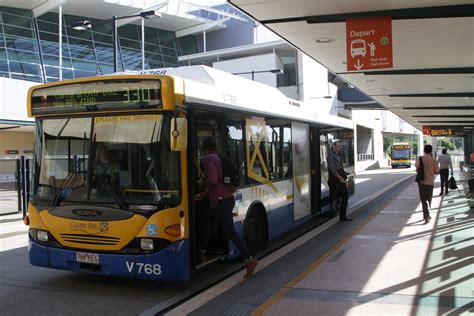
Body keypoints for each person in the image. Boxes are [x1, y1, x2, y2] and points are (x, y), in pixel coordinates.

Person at [195, 137, 258, 278]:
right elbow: (219, 183)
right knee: (207, 221)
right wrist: (203, 195)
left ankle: (250, 260)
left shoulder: (208, 159)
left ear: (204, 148)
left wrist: (201, 181)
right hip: (224, 199)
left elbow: (212, 180)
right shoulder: (218, 157)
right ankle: (201, 252)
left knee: (226, 230)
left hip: (220, 201)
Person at [327, 141, 352, 221]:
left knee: (345, 197)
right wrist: (340, 178)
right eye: (338, 146)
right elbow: (332, 169)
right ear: (333, 146)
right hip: (335, 181)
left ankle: (342, 216)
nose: (339, 148)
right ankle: (332, 214)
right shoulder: (330, 156)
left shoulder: (339, 156)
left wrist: (345, 177)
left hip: (341, 180)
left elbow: (340, 168)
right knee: (334, 198)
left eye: (340, 146)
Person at [415, 144, 440, 224]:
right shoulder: (434, 160)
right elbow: (437, 172)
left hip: (422, 182)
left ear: (424, 150)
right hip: (430, 183)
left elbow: (417, 169)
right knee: (429, 199)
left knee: (423, 200)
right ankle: (427, 214)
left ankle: (426, 215)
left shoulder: (419, 159)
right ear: (431, 151)